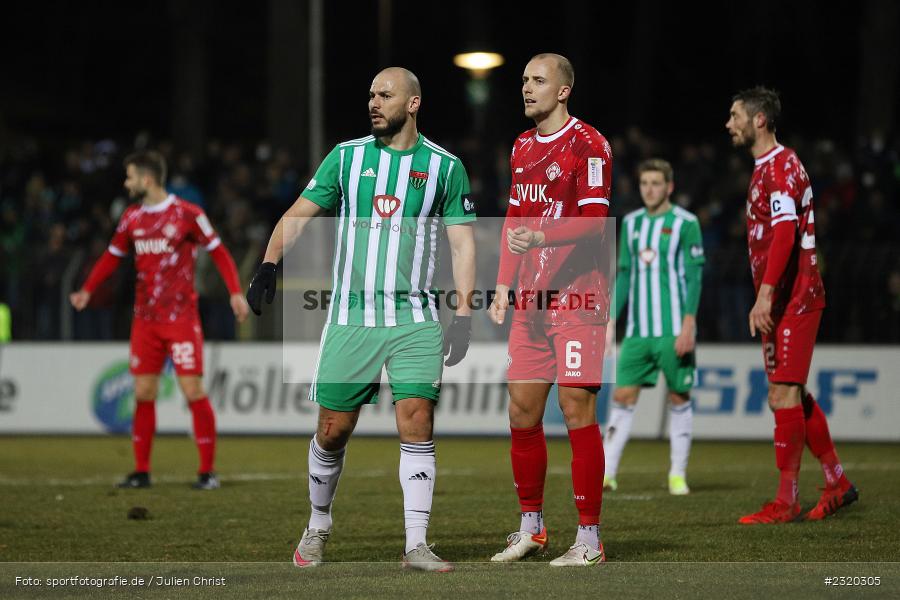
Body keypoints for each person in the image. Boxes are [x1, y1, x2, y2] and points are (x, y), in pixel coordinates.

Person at [246, 67, 476, 572]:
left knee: (417, 418)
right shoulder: (347, 157)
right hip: (351, 315)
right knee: (333, 429)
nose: (373, 102)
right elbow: (298, 213)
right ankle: (318, 524)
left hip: (414, 315)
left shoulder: (445, 166)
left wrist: (462, 315)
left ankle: (416, 544)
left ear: (413, 103)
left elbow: (461, 241)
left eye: (385, 95)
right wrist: (268, 263)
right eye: (370, 93)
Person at [487, 53, 612, 567]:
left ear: (563, 90)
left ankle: (589, 539)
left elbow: (595, 223)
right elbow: (514, 218)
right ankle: (532, 527)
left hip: (578, 299)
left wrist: (541, 234)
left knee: (576, 410)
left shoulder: (590, 144)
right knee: (522, 411)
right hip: (530, 302)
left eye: (538, 81)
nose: (526, 88)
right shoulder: (520, 146)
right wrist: (500, 286)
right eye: (523, 81)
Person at [70, 150, 249, 490]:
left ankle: (207, 472)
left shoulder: (187, 214)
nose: (127, 183)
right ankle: (141, 471)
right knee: (143, 391)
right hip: (145, 321)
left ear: (146, 179)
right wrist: (87, 290)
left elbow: (219, 251)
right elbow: (112, 256)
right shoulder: (131, 218)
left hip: (180, 318)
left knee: (192, 389)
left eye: (130, 176)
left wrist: (235, 292)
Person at [726, 86, 857, 523]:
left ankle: (786, 502)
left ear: (759, 120)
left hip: (795, 299)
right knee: (789, 395)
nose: (729, 124)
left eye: (735, 116)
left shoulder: (780, 167)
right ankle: (837, 482)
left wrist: (764, 295)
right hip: (784, 300)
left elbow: (784, 234)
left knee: (783, 394)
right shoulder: (768, 167)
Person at [603, 159, 704, 495]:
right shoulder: (631, 224)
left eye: (656, 183)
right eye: (644, 182)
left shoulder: (686, 223)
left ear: (669, 187)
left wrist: (689, 322)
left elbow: (694, 276)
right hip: (637, 332)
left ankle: (677, 474)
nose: (649, 189)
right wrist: (610, 320)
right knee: (622, 396)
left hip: (674, 329)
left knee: (679, 397)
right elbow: (626, 275)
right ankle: (607, 473)